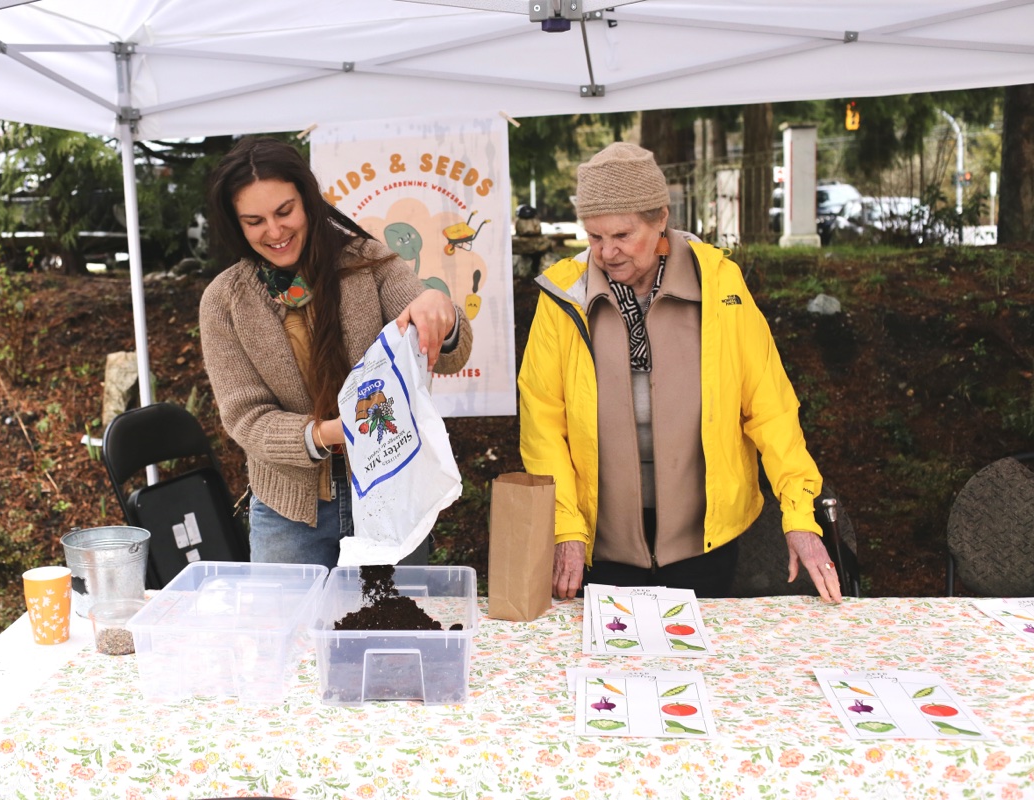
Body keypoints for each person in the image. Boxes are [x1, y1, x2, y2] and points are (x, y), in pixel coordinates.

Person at [518, 142, 841, 603]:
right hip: (598, 544)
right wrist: (565, 525)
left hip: (704, 543)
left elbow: (770, 407)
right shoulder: (562, 298)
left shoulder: (719, 285)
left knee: (698, 667)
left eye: (623, 235)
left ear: (661, 219)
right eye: (594, 237)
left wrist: (799, 516)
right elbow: (543, 423)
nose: (606, 252)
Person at [200, 137, 473, 569]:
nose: (274, 231)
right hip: (289, 513)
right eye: (254, 221)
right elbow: (245, 419)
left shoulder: (369, 263)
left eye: (285, 211)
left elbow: (448, 351)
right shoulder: (224, 302)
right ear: (235, 225)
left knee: (394, 632)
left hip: (391, 493)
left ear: (308, 201)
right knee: (289, 634)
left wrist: (443, 315)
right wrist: (329, 433)